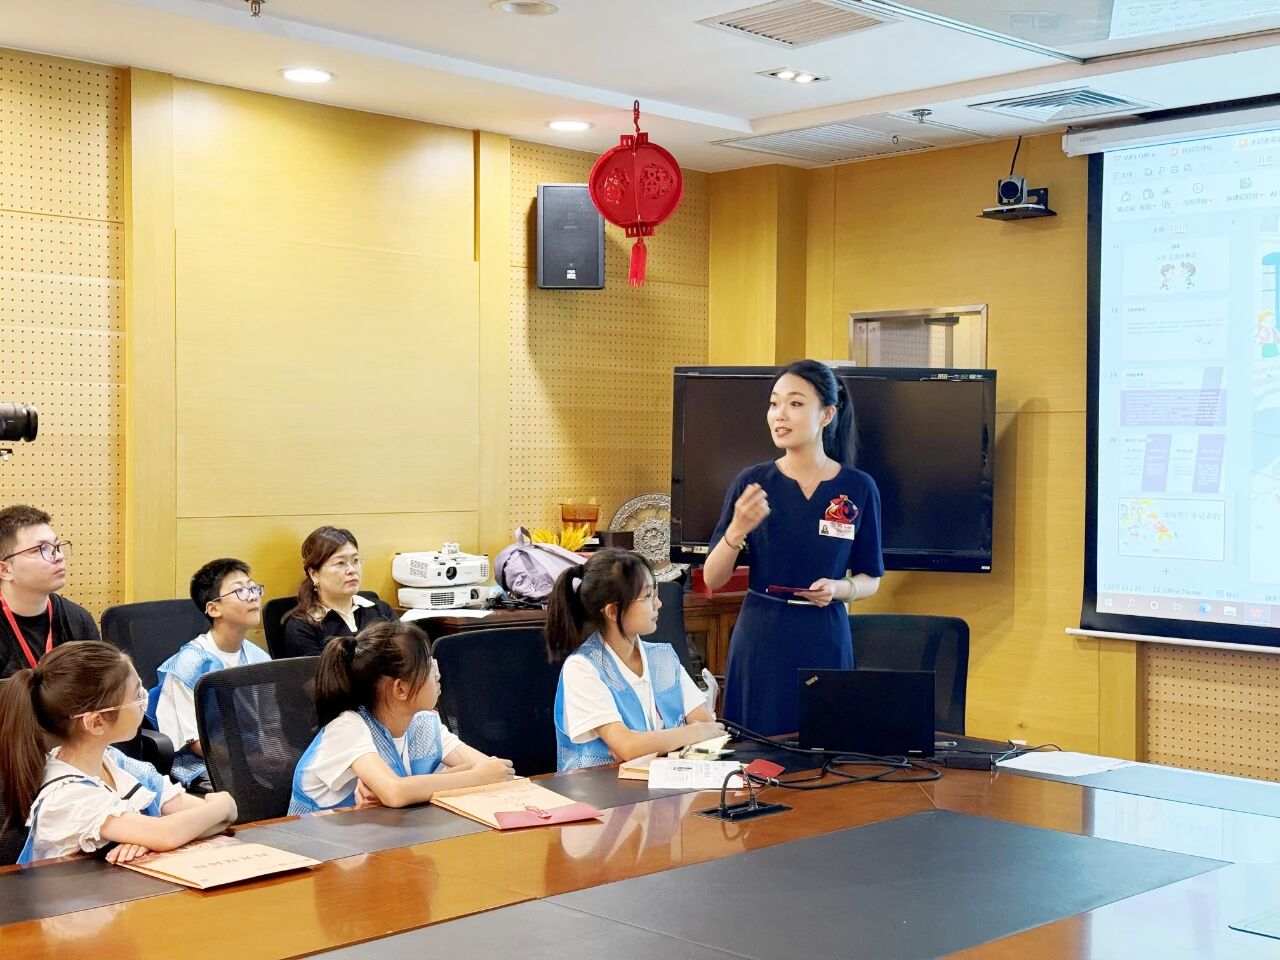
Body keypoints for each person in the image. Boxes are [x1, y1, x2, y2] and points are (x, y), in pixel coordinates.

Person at [701, 359, 884, 736]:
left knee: (825, 747)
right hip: (761, 636)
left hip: (825, 636)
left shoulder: (859, 487)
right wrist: (737, 528)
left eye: (795, 403)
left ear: (827, 415)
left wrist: (839, 589)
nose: (779, 414)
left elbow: (871, 578)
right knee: (756, 752)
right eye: (774, 403)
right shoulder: (752, 482)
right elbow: (713, 578)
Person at [0, 641, 238, 864]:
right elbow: (168, 833)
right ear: (96, 723)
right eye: (136, 695)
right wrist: (223, 804)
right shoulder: (66, 796)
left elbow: (198, 819)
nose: (144, 700)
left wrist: (150, 840)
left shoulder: (112, 760)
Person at [289, 620, 514, 814]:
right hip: (314, 845)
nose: (437, 673)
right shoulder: (347, 728)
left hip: (382, 839)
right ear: (400, 689)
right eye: (428, 665)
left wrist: (414, 789)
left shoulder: (423, 722)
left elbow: (495, 770)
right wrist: (475, 777)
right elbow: (395, 792)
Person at [546, 548, 724, 772]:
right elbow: (629, 747)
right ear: (612, 611)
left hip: (664, 784)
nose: (658, 604)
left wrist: (648, 745)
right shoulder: (582, 668)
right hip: (601, 789)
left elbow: (707, 725)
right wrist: (692, 733)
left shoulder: (662, 657)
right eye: (648, 596)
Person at [147, 558, 271, 793]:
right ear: (214, 609)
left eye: (254, 588)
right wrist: (250, 762)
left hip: (255, 758)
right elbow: (195, 742)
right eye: (240, 591)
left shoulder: (259, 657)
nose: (253, 596)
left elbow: (270, 724)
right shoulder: (188, 665)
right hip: (204, 765)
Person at [0, 505, 99, 678]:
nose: (59, 556)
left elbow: (99, 687)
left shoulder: (78, 619)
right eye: (41, 549)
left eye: (57, 546)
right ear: (5, 570)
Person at [279, 526, 394, 659]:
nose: (352, 570)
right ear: (314, 574)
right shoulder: (302, 626)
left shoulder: (380, 609)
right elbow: (318, 672)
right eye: (340, 563)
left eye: (355, 561)